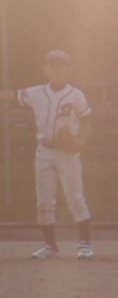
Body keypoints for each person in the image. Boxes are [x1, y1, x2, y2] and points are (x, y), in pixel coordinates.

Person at [0, 50, 95, 258]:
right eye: (52, 66)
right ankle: (50, 246)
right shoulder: (36, 93)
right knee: (44, 202)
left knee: (75, 197)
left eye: (61, 66)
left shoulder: (76, 95)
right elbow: (12, 96)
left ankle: (85, 244)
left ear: (69, 70)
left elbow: (87, 118)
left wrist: (82, 141)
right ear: (45, 69)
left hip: (67, 154)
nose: (56, 70)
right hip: (43, 152)